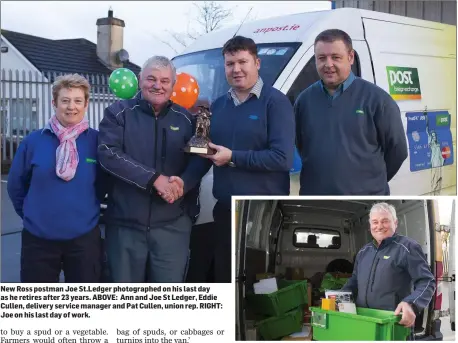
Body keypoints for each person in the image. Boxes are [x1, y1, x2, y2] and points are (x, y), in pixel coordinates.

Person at [173, 36, 295, 283]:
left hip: (259, 216)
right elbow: (203, 154)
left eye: (243, 62)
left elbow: (282, 159)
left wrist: (233, 158)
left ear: (257, 63)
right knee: (225, 279)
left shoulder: (276, 102)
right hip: (227, 211)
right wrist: (181, 184)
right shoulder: (216, 107)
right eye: (230, 64)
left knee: (255, 284)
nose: (236, 69)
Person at [97, 56, 199, 283]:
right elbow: (108, 153)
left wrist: (184, 182)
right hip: (125, 228)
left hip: (172, 228)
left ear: (173, 85)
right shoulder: (117, 113)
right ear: (140, 80)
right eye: (151, 79)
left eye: (164, 81)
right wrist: (154, 179)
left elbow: (200, 159)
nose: (157, 85)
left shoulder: (186, 119)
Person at [7, 74, 105, 283]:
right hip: (38, 240)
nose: (71, 107)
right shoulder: (33, 142)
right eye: (65, 100)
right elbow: (16, 186)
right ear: (54, 103)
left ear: (86, 104)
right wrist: (33, 216)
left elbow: (104, 184)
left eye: (78, 101)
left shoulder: (97, 142)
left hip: (84, 240)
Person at [294, 29, 408, 195]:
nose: (328, 64)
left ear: (351, 57)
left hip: (366, 198)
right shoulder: (304, 100)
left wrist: (370, 182)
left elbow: (397, 152)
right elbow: (302, 146)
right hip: (315, 196)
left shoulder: (378, 100)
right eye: (321, 58)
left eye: (336, 57)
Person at [341, 202, 436, 328]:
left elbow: (427, 281)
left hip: (393, 322)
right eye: (375, 222)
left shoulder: (407, 248)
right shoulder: (364, 252)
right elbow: (354, 281)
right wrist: (338, 297)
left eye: (385, 221)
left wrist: (411, 304)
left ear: (395, 223)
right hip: (363, 320)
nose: (379, 226)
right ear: (370, 226)